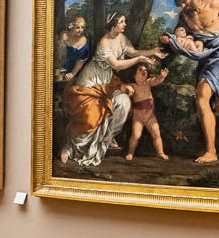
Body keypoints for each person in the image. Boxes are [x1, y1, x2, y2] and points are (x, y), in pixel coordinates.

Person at [61, 14, 161, 166]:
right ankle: (71, 148)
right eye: (121, 22)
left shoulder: (122, 38)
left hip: (107, 79)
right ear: (113, 25)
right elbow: (117, 65)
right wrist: (139, 60)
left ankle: (107, 137)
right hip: (92, 80)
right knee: (90, 114)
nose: (125, 24)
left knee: (124, 102)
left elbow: (133, 52)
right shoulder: (104, 42)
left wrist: (152, 51)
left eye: (124, 21)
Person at [159, 0, 219, 163]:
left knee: (202, 96)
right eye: (180, 4)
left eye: (184, 2)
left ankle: (211, 151)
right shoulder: (185, 16)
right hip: (206, 60)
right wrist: (168, 41)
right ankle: (211, 151)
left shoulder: (215, 4)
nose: (182, 7)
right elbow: (180, 41)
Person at [123, 65, 170, 161]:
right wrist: (128, 89)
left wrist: (162, 76)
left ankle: (160, 152)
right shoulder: (133, 86)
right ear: (134, 75)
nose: (144, 71)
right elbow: (125, 88)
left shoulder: (148, 83)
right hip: (138, 118)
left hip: (150, 117)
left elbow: (157, 80)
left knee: (156, 134)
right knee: (136, 135)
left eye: (145, 70)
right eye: (140, 70)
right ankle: (130, 153)